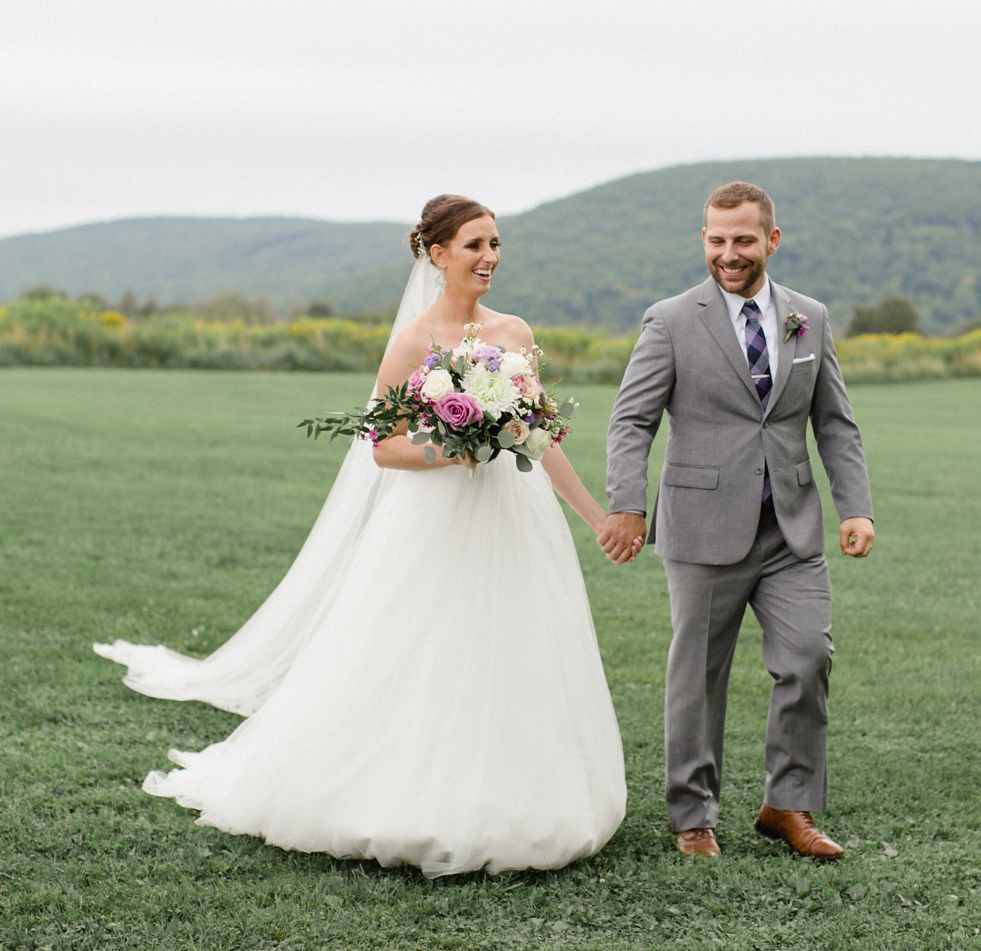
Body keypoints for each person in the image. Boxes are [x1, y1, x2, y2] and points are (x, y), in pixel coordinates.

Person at [95, 195, 633, 877]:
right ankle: (406, 793)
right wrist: (453, 449)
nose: (490, 256)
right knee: (424, 648)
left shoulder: (515, 334)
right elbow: (381, 445)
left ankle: (529, 795)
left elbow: (538, 437)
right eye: (474, 245)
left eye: (496, 243)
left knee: (518, 643)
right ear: (437, 255)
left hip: (514, 517)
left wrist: (595, 516)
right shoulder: (415, 341)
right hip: (435, 521)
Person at [599, 181, 874, 860]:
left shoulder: (808, 316)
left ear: (770, 241)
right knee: (698, 676)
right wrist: (626, 503)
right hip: (701, 526)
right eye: (717, 240)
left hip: (791, 527)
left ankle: (788, 804)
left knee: (808, 658)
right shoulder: (668, 320)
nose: (729, 253)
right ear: (704, 240)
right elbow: (631, 420)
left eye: (743, 240)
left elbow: (834, 423)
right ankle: (693, 817)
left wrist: (856, 507)